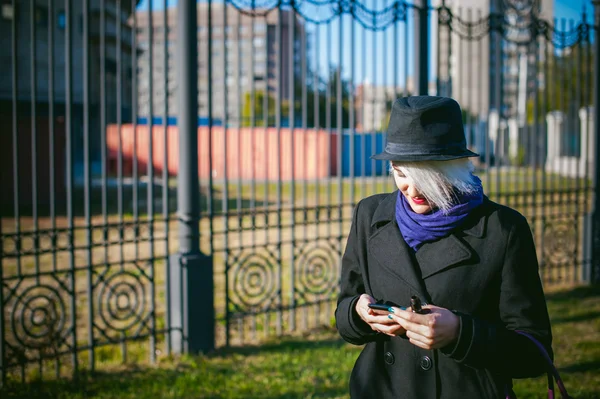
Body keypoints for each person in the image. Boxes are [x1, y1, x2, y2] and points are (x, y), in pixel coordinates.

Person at [335, 96, 553, 399]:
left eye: (425, 176)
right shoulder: (370, 215)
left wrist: (461, 334)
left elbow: (534, 352)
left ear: (455, 167)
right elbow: (345, 310)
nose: (410, 188)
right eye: (400, 172)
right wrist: (358, 313)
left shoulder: (503, 229)